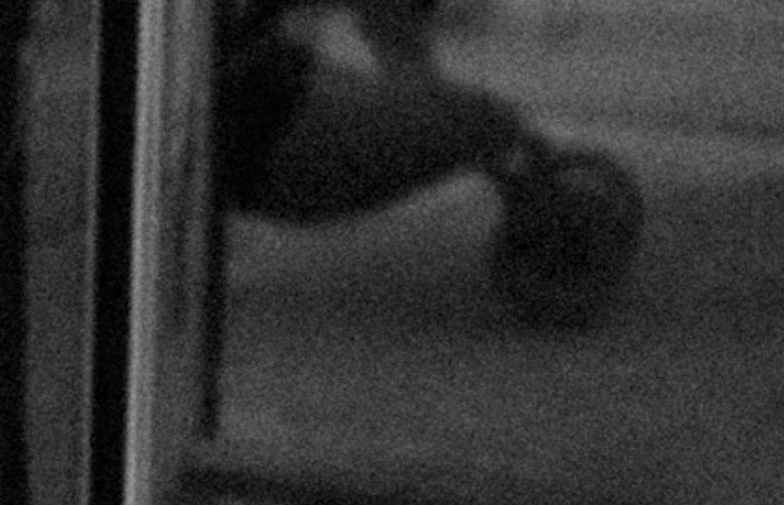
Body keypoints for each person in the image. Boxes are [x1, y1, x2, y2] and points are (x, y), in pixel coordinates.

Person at [215, 0, 639, 328]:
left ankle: (545, 210)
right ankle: (552, 229)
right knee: (484, 122)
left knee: (478, 121)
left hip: (250, 109)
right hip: (253, 129)